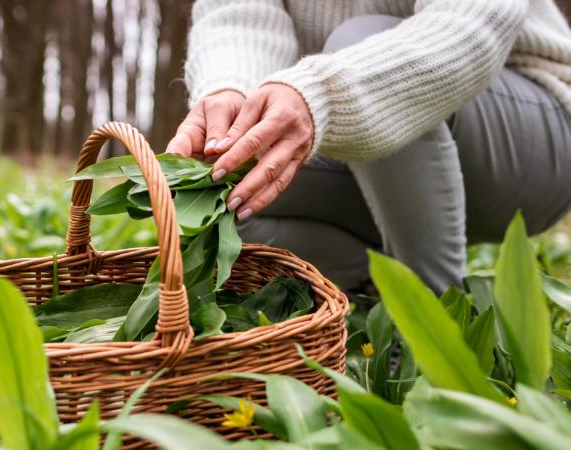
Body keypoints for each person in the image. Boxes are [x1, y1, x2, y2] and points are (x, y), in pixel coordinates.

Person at [168, 0, 571, 294]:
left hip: (533, 135)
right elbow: (237, 17)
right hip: (370, 157)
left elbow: (473, 21)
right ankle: (379, 290)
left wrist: (323, 94)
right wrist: (231, 94)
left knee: (360, 39)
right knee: (225, 192)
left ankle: (436, 321)